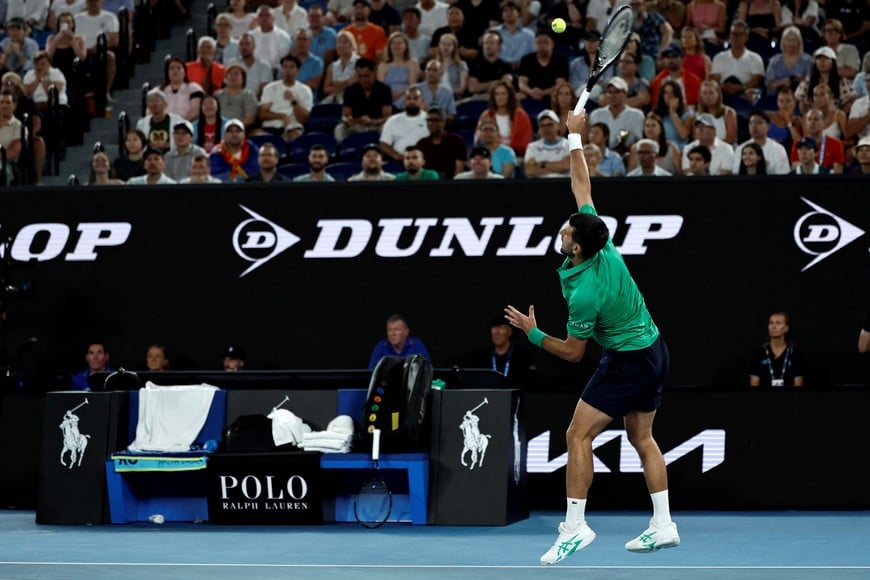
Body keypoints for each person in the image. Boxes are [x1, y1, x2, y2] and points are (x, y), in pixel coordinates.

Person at [504, 109, 678, 566]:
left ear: (577, 246)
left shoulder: (585, 292)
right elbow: (582, 187)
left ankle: (575, 527)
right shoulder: (601, 240)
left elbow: (574, 352)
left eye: (564, 231)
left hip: (628, 361)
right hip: (655, 349)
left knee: (577, 435)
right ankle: (663, 525)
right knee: (643, 437)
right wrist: (575, 139)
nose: (560, 231)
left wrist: (534, 333)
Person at [460, 315, 537, 388]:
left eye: (501, 328)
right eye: (494, 327)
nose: (497, 332)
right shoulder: (481, 357)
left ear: (510, 331)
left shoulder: (523, 356)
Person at [258, 54, 313, 142]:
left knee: (296, 136)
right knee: (255, 135)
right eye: (285, 67)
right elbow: (262, 114)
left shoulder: (305, 90)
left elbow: (304, 119)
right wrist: (282, 116)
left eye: (292, 67)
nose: (288, 70)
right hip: (270, 127)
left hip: (293, 128)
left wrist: (294, 101)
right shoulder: (270, 88)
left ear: (298, 70)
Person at [749, 311, 805, 387]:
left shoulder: (795, 354)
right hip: (763, 398)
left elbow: (798, 385)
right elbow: (754, 385)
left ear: (786, 328)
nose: (773, 326)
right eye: (771, 323)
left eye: (778, 323)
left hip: (790, 398)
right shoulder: (759, 353)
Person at [415, 105, 467, 178]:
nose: (430, 123)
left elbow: (459, 172)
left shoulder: (456, 141)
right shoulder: (422, 143)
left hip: (450, 184)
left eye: (434, 120)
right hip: (428, 184)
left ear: (443, 122)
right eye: (428, 120)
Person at [367, 313, 431, 369]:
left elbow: (427, 369)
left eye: (397, 330)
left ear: (406, 332)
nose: (393, 334)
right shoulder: (381, 346)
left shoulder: (416, 345)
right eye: (389, 330)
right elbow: (371, 371)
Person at [523, 109, 570, 178]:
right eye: (543, 126)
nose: (546, 129)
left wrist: (541, 164)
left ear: (558, 125)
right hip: (540, 186)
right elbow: (529, 171)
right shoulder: (532, 147)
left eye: (550, 124)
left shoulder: (568, 145)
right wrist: (557, 169)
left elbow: (566, 166)